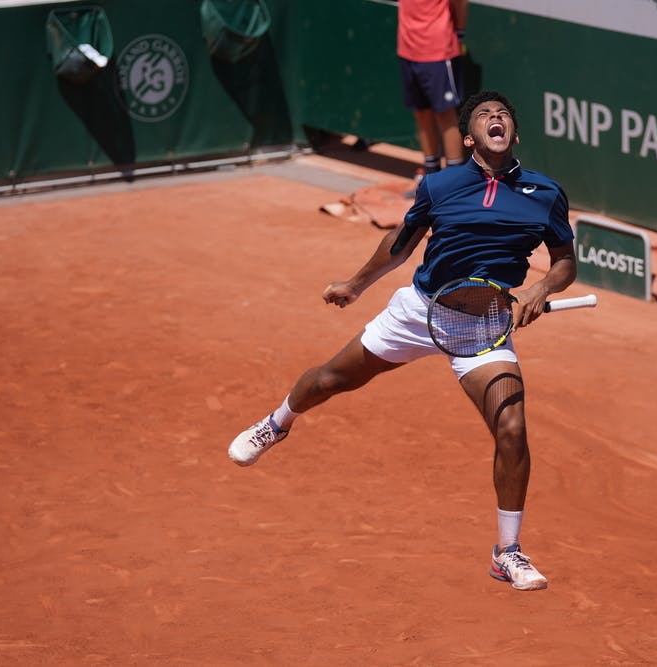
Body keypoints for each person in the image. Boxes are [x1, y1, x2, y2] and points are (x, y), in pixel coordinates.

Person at [228, 90, 576, 591]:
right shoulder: (439, 185)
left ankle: (508, 551)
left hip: (483, 330)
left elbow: (565, 261)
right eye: (483, 115)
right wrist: (354, 284)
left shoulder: (545, 193)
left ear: (514, 134)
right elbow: (399, 245)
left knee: (513, 429)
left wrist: (542, 288)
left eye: (503, 115)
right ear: (471, 135)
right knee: (332, 378)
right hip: (420, 313)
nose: (495, 118)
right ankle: (276, 422)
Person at [397, 0, 468, 195]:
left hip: (439, 48)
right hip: (407, 47)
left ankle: (455, 182)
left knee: (445, 113)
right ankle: (430, 175)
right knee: (421, 111)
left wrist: (459, 31)